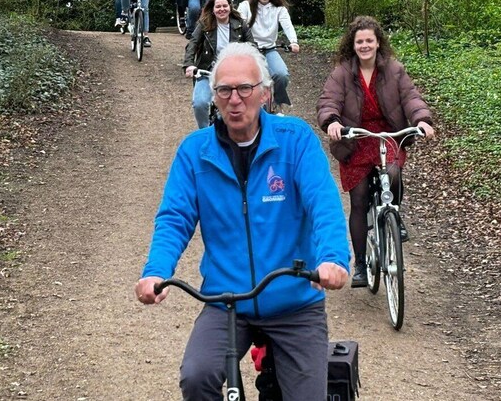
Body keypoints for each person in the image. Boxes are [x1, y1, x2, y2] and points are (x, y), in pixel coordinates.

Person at [135, 42, 349, 401]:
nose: (235, 99)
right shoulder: (194, 152)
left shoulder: (295, 140)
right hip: (227, 301)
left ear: (265, 93)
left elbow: (323, 204)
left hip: (294, 300)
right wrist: (156, 271)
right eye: (224, 90)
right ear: (214, 98)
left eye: (245, 89)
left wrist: (333, 259)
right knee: (197, 377)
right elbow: (175, 218)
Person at [316, 16, 436, 288]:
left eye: (369, 40)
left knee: (393, 173)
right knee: (358, 200)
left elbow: (410, 97)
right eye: (360, 41)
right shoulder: (343, 72)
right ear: (353, 44)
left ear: (378, 42)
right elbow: (328, 100)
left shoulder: (394, 70)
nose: (365, 45)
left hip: (386, 135)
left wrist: (421, 121)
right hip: (356, 138)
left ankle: (393, 212)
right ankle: (360, 263)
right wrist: (333, 121)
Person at [183, 0, 252, 129]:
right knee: (200, 103)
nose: (222, 9)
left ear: (230, 7)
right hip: (207, 71)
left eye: (225, 6)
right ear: (213, 10)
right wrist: (189, 64)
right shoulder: (204, 24)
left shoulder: (240, 25)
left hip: (234, 74)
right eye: (218, 6)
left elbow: (252, 46)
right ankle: (204, 133)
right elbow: (193, 44)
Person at [238, 0, 299, 115]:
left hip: (270, 49)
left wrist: (293, 42)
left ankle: (277, 103)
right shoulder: (246, 6)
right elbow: (238, 25)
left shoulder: (279, 8)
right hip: (251, 51)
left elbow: (287, 25)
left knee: (281, 74)